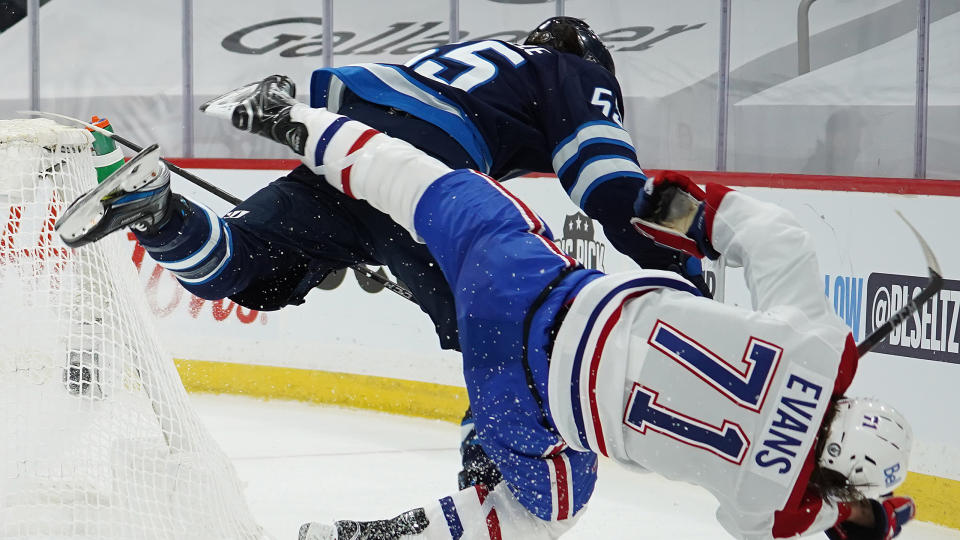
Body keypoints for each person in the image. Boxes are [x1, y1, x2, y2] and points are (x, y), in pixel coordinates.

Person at [58, 85, 918, 540]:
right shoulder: (776, 504)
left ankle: (291, 119)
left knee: (421, 183)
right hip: (517, 386)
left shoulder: (821, 345)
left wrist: (681, 213)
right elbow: (807, 521)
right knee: (542, 512)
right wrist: (867, 515)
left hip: (529, 274)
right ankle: (368, 535)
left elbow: (778, 241)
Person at [56, 17, 710, 493]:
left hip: (342, 137)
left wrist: (374, 227)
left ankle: (158, 210)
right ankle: (490, 496)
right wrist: (684, 276)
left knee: (251, 269)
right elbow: (609, 186)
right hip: (421, 162)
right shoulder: (575, 72)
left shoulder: (480, 56)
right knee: (506, 334)